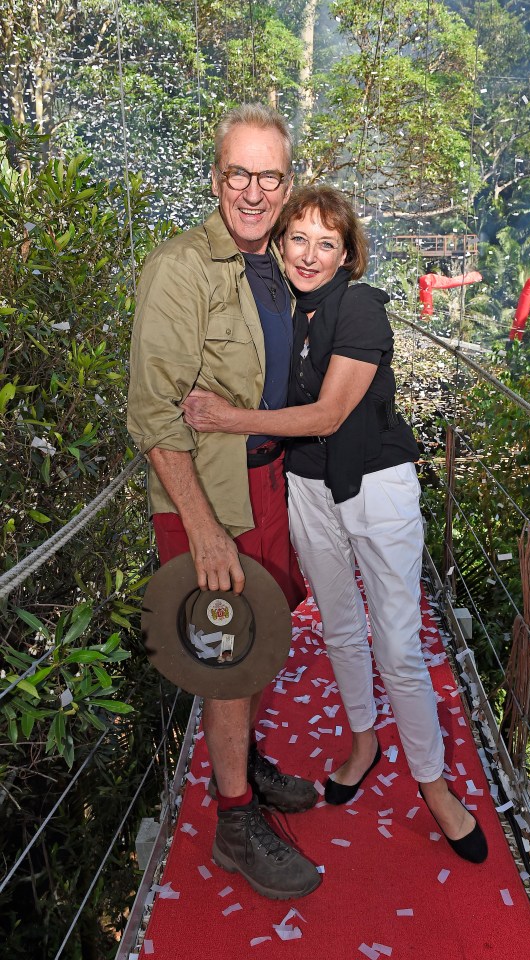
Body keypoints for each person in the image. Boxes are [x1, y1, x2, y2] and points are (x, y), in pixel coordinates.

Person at [181, 185, 488, 864]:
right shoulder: (282, 314)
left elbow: (324, 417)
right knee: (342, 625)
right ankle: (362, 742)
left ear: (349, 254)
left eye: (327, 243)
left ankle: (434, 786)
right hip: (308, 489)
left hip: (377, 489)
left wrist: (226, 419)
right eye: (298, 239)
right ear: (281, 244)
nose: (310, 255)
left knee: (400, 646)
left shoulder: (361, 309)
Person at [127, 104, 322, 902]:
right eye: (237, 173)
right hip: (208, 496)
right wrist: (202, 528)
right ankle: (234, 823)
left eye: (268, 175)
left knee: (258, 635)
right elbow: (151, 409)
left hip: (266, 482)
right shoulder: (181, 267)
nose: (252, 190)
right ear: (216, 179)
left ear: (285, 182)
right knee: (228, 656)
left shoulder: (277, 263)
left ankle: (243, 760)